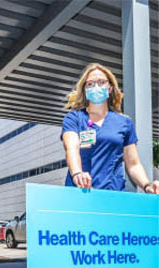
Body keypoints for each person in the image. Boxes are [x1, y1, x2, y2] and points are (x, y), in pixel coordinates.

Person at [61, 63, 159, 194]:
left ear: (110, 88)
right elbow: (72, 149)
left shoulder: (124, 122)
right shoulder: (74, 118)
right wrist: (77, 173)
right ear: (85, 90)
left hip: (112, 194)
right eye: (90, 84)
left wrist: (147, 186)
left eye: (101, 82)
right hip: (79, 192)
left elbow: (133, 164)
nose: (96, 86)